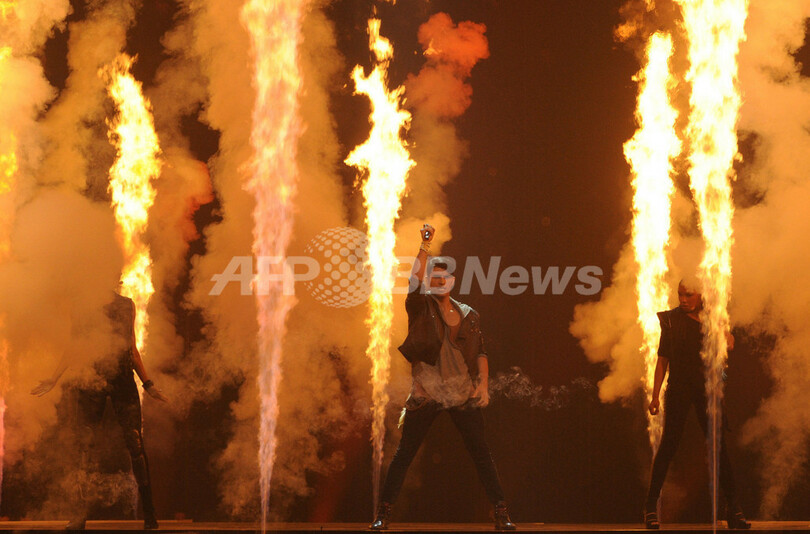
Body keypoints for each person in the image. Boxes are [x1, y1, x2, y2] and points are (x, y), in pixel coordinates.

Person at [370, 224, 515, 531]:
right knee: (404, 455)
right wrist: (425, 246)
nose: (437, 282)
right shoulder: (420, 309)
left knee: (482, 455)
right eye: (432, 278)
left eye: (442, 278)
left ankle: (501, 513)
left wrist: (484, 385)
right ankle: (383, 513)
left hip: (462, 394)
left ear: (451, 281)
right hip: (428, 394)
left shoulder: (469, 314)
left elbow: (480, 353)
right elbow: (413, 281)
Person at [32, 291, 168, 530]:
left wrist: (148, 384)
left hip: (122, 377)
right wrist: (54, 378)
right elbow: (75, 345)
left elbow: (132, 348)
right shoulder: (82, 305)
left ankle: (150, 513)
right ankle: (79, 515)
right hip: (91, 378)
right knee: (83, 446)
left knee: (135, 443)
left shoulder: (126, 305)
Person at [643, 280, 750, 530]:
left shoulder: (714, 318)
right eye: (680, 294)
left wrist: (727, 339)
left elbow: (726, 346)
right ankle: (650, 507)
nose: (683, 299)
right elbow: (662, 360)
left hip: (707, 389)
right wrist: (655, 395)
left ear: (700, 295)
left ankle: (734, 509)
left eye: (688, 295)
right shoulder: (671, 320)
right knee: (668, 445)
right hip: (679, 387)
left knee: (718, 446)